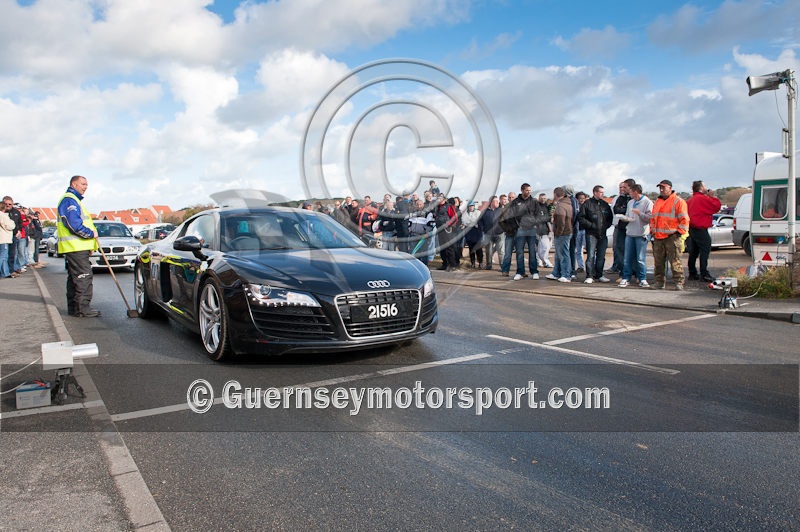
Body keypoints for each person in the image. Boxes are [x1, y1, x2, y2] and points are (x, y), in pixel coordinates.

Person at [57, 175, 101, 317]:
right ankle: (82, 308)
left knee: (74, 278)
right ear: (74, 184)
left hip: (75, 247)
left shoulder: (73, 200)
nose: (85, 187)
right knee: (84, 276)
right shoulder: (70, 200)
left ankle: (74, 308)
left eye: (86, 184)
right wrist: (90, 234)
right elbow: (74, 225)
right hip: (76, 247)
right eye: (83, 184)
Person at [651, 179, 690, 290]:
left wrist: (679, 233)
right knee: (658, 262)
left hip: (672, 237)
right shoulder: (657, 202)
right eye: (660, 188)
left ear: (670, 188)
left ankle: (679, 283)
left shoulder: (678, 201)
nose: (661, 189)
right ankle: (659, 282)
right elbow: (653, 218)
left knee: (675, 261)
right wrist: (652, 231)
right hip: (658, 237)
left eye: (664, 187)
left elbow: (684, 219)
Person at [507, 183, 548, 281]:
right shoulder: (516, 202)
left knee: (532, 251)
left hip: (531, 230)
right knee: (519, 252)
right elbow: (511, 215)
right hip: (520, 230)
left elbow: (538, 215)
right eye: (527, 190)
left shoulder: (534, 201)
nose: (529, 192)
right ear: (522, 190)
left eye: (530, 190)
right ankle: (520, 272)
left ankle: (534, 272)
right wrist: (517, 226)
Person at [617, 183, 653, 288]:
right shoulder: (630, 202)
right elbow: (629, 215)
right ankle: (626, 278)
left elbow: (650, 218)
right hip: (630, 233)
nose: (629, 194)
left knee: (640, 258)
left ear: (636, 192)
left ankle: (642, 278)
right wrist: (624, 218)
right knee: (627, 258)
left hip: (641, 234)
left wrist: (639, 214)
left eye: (631, 192)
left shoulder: (647, 202)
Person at [686, 180, 721, 282]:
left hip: (691, 228)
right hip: (700, 228)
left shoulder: (690, 200)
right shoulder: (703, 199)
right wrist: (712, 196)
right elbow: (716, 206)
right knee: (705, 250)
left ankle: (692, 273)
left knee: (693, 251)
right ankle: (704, 273)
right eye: (704, 186)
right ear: (701, 188)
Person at [578, 185, 613, 283]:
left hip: (603, 234)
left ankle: (600, 275)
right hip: (591, 234)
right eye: (601, 192)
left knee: (601, 256)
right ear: (595, 192)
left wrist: (605, 226)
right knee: (590, 255)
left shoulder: (605, 205)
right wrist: (591, 225)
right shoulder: (587, 204)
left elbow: (610, 218)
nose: (603, 194)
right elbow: (581, 218)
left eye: (603, 192)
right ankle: (589, 275)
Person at [608, 179, 635, 275]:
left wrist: (623, 211)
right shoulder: (618, 198)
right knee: (618, 249)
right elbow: (616, 210)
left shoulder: (634, 199)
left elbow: (630, 212)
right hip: (619, 226)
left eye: (624, 187)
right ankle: (622, 271)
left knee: (632, 252)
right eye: (620, 187)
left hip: (632, 228)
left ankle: (635, 273)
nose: (622, 189)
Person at [548, 187, 573, 282]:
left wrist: (557, 233)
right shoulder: (568, 203)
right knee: (559, 254)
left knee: (563, 254)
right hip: (567, 232)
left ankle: (566, 275)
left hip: (563, 234)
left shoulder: (561, 205)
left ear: (555, 194)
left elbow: (561, 222)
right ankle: (556, 273)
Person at [479, 196, 504, 270]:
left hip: (499, 233)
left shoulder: (501, 210)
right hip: (488, 234)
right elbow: (480, 222)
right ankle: (489, 265)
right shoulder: (484, 211)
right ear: (491, 203)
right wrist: (484, 229)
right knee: (488, 251)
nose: (497, 202)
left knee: (501, 251)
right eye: (495, 201)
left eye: (497, 201)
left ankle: (503, 266)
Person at [461, 202, 483, 268]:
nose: (471, 207)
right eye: (470, 206)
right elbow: (464, 221)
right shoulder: (465, 214)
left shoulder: (478, 212)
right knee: (471, 248)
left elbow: (476, 220)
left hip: (477, 231)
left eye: (472, 206)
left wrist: (470, 222)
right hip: (469, 232)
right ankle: (472, 262)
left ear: (474, 206)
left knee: (478, 249)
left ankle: (480, 262)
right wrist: (470, 222)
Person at [534, 193, 553, 268]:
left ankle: (542, 261)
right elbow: (538, 218)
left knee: (545, 247)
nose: (543, 199)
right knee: (541, 247)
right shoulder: (536, 207)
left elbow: (548, 219)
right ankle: (543, 261)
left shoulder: (546, 206)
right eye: (542, 198)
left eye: (544, 198)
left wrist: (550, 230)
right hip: (538, 230)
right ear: (539, 198)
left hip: (545, 230)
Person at [1, 198, 17, 278]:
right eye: (6, 204)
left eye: (10, 204)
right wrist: (12, 222)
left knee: (5, 256)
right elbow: (11, 226)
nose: (7, 206)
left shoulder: (13, 213)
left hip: (6, 238)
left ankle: (5, 272)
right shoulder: (3, 215)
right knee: (3, 257)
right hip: (3, 239)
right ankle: (5, 272)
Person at [573, 191, 587, 272]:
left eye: (583, 198)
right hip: (578, 230)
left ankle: (592, 265)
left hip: (585, 230)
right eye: (580, 198)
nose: (581, 200)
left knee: (588, 248)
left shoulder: (587, 207)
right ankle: (580, 266)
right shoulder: (576, 207)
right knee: (578, 249)